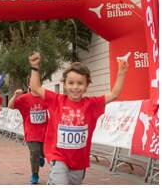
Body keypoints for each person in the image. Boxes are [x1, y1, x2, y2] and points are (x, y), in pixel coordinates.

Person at [28, 52, 128, 185]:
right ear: (65, 85)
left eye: (80, 83)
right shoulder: (56, 100)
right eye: (71, 83)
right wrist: (35, 67)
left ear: (86, 86)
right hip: (58, 156)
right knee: (60, 182)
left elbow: (114, 94)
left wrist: (121, 73)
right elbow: (36, 87)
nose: (75, 87)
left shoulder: (92, 104)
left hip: (79, 161)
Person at [8, 87, 48, 184]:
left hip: (45, 132)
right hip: (31, 132)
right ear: (29, 85)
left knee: (45, 152)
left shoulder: (46, 96)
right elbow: (10, 106)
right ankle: (35, 174)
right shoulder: (24, 98)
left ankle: (41, 157)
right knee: (34, 151)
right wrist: (15, 95)